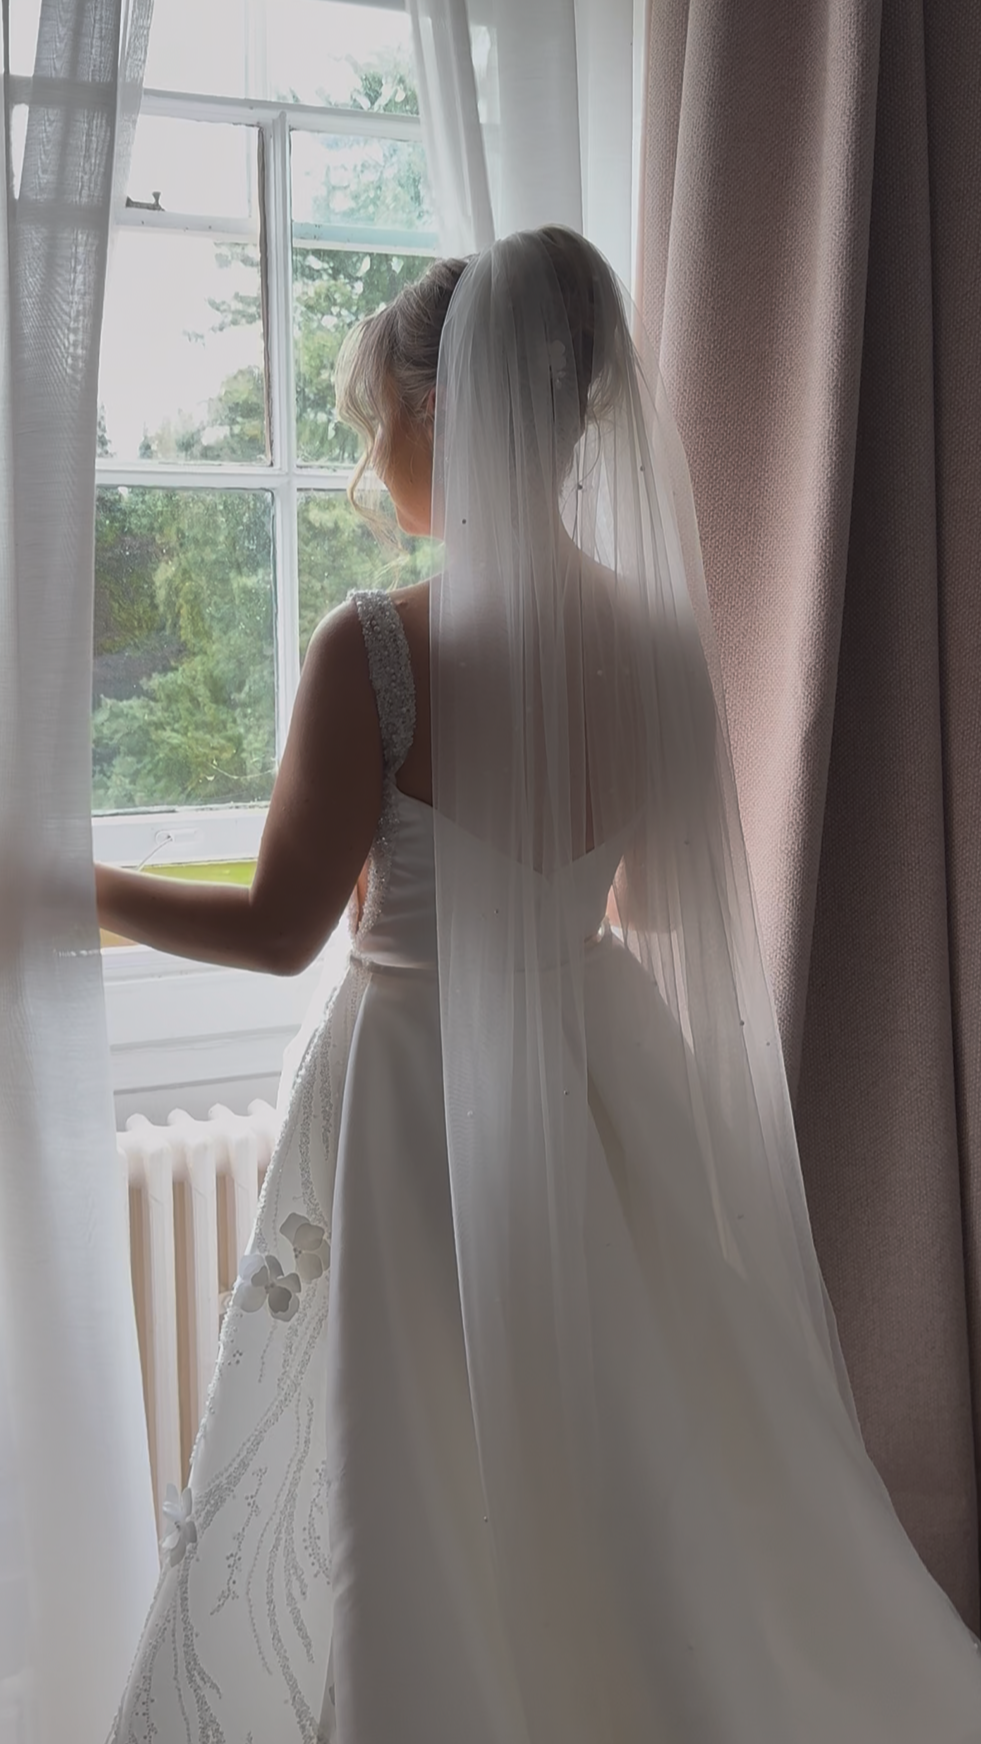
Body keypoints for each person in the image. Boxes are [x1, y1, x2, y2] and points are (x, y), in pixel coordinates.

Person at [101, 227, 981, 1743]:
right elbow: (649, 896)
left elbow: (273, 931)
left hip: (418, 1102)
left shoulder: (374, 648)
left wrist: (64, 885)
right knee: (617, 1466)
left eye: (377, 422)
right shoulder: (649, 646)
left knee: (426, 1479)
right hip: (598, 1082)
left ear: (447, 414)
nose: (376, 459)